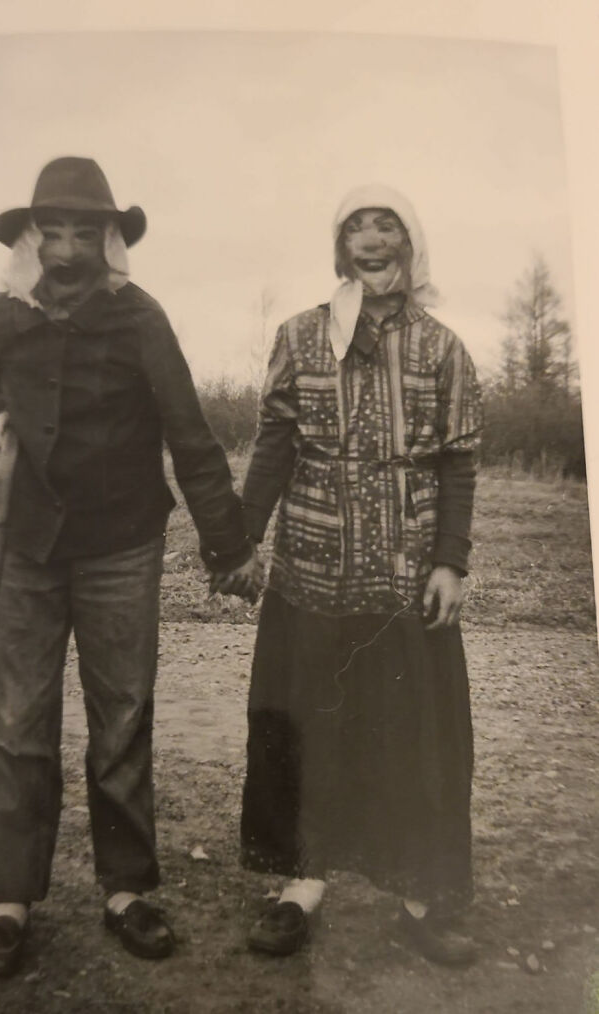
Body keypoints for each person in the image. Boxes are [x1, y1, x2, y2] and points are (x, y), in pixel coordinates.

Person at [0, 156, 259, 976]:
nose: (64, 248)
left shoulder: (139, 317)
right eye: (49, 231)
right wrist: (2, 419)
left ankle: (125, 889)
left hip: (123, 543)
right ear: (29, 237)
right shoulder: (2, 314)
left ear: (108, 237)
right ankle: (10, 897)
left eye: (82, 231)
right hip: (25, 542)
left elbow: (189, 432)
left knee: (121, 715)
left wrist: (226, 545)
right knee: (16, 720)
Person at [231, 185, 484, 965]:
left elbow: (458, 464)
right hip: (310, 572)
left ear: (412, 244)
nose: (371, 242)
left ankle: (420, 898)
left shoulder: (443, 347)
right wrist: (240, 542)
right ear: (339, 248)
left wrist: (449, 561)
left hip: (405, 580)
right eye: (356, 229)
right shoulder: (301, 336)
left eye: (387, 227)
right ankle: (300, 888)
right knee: (305, 727)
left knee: (417, 739)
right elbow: (274, 447)